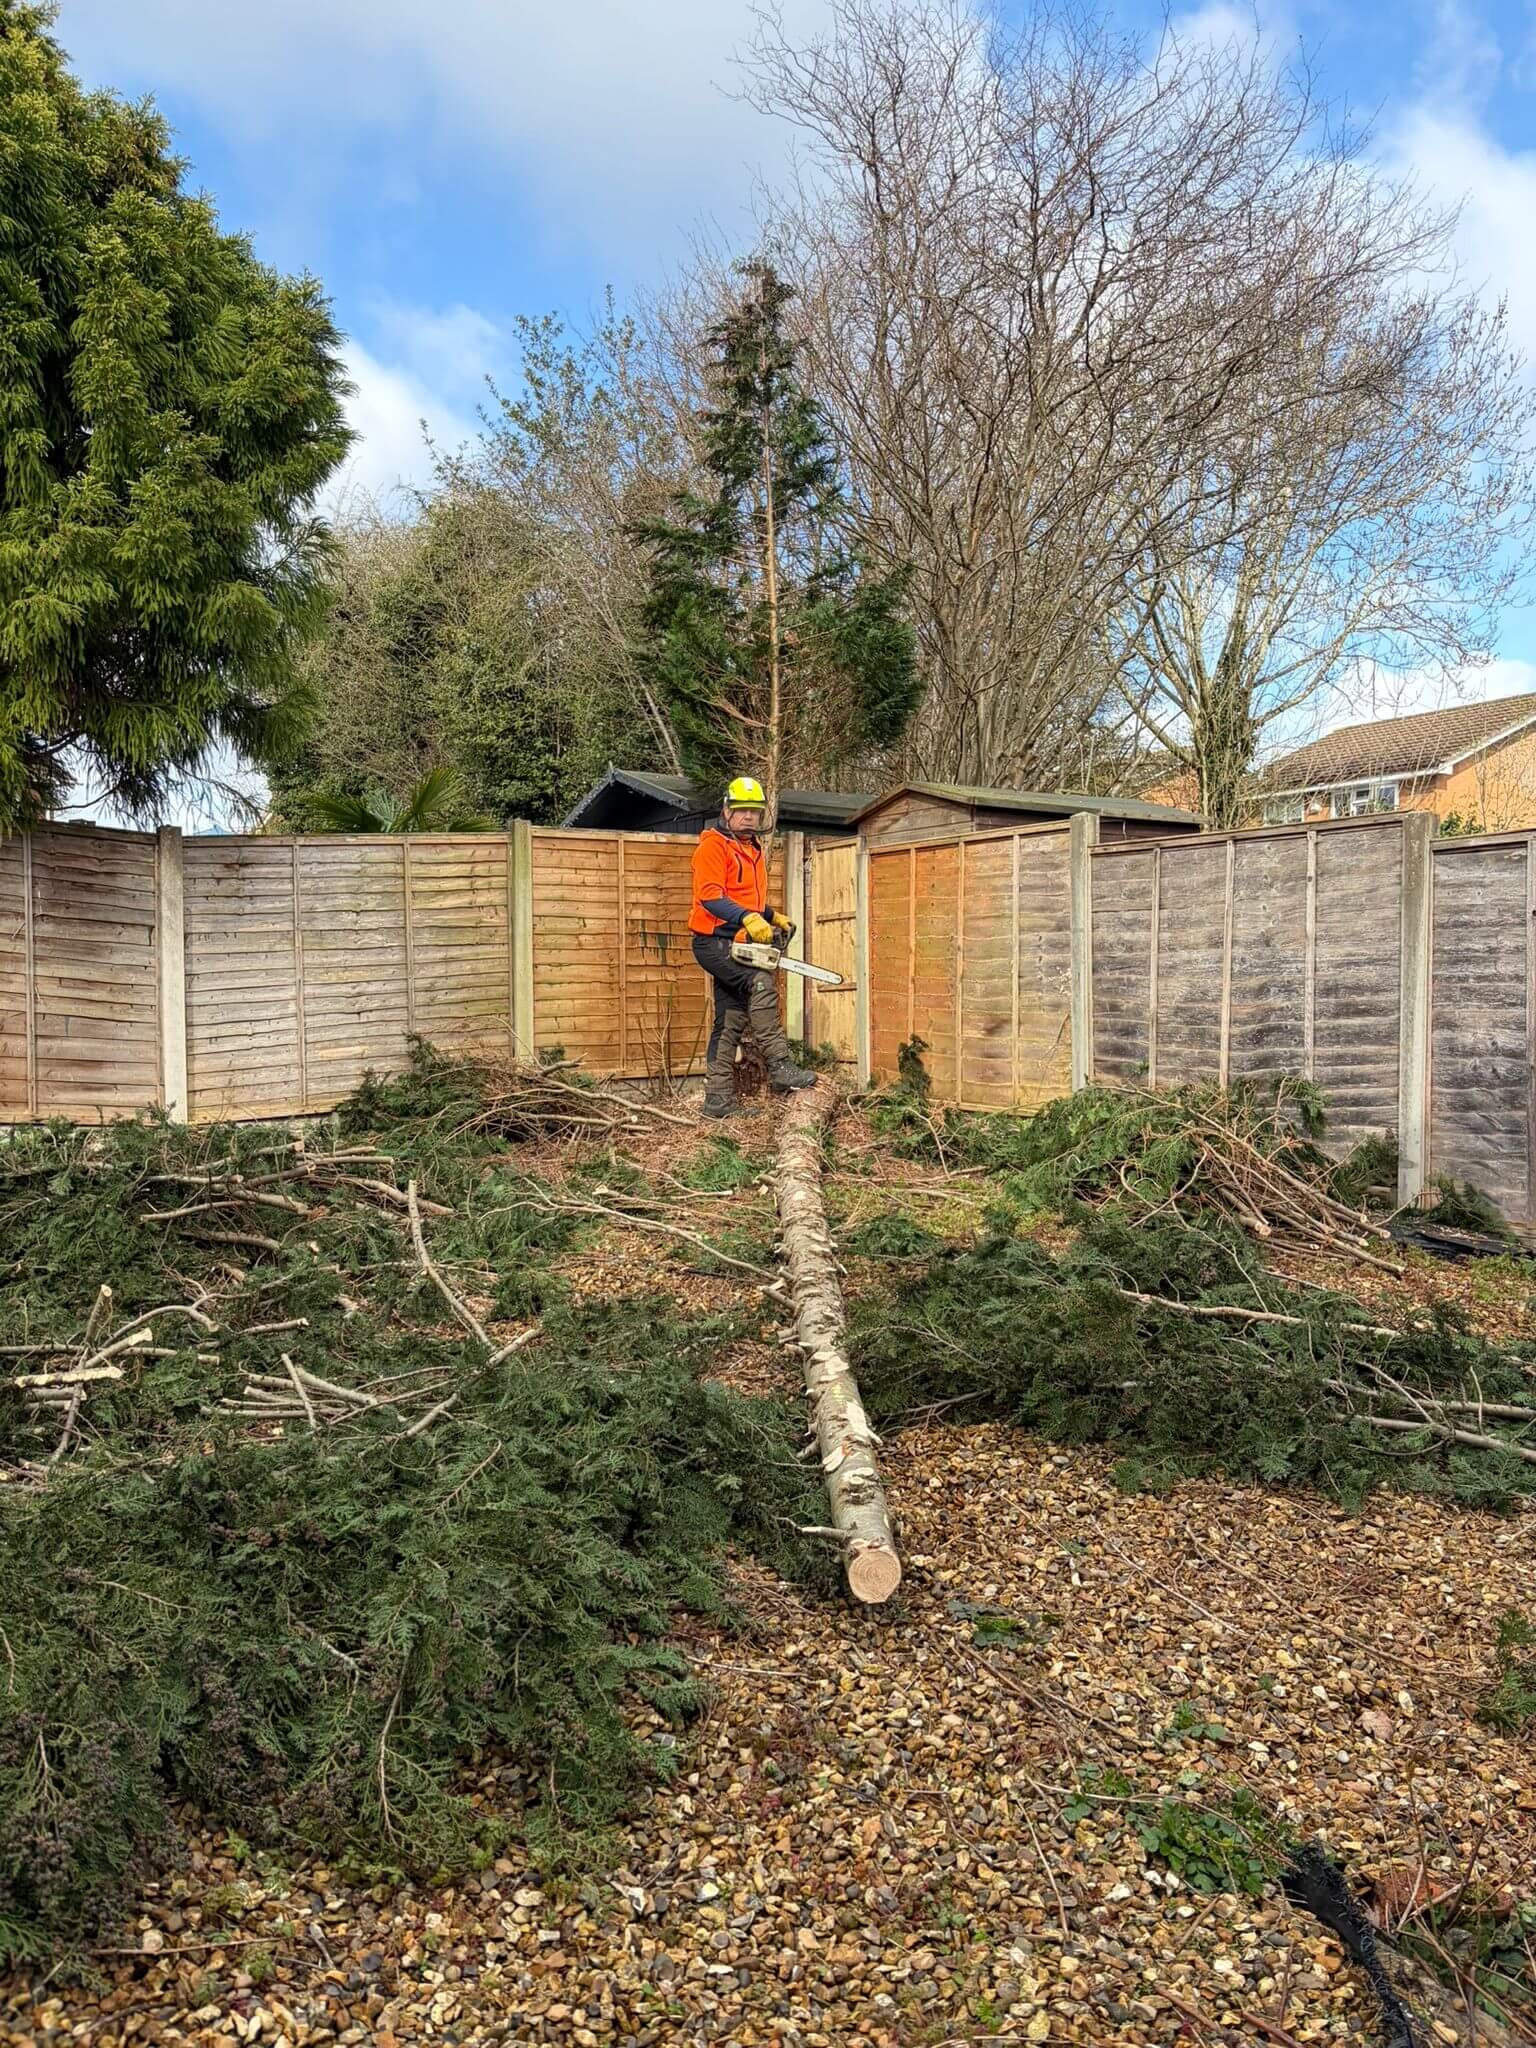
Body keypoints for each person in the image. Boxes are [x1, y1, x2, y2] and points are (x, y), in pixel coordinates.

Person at [690, 775, 817, 1119]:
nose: (749, 817)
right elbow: (711, 896)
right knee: (759, 982)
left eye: (755, 811)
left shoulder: (753, 849)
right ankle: (780, 1068)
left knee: (729, 1019)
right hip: (713, 941)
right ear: (727, 810)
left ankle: (717, 1101)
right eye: (742, 810)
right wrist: (747, 919)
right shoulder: (713, 847)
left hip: (737, 941)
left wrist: (773, 916)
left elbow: (747, 898)